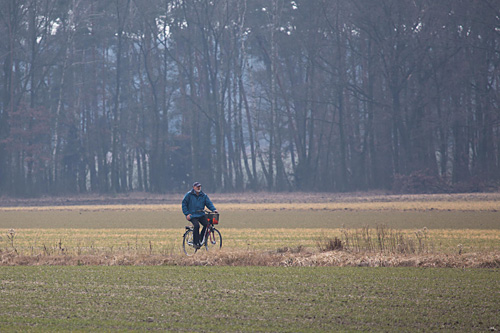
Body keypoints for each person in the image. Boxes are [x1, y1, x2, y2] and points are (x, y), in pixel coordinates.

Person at [182, 182, 218, 249]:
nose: (199, 188)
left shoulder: (204, 195)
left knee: (207, 225)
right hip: (192, 215)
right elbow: (184, 204)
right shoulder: (189, 195)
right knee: (197, 226)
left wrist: (214, 210)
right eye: (197, 186)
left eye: (199, 186)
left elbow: (209, 203)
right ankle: (195, 243)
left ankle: (201, 239)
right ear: (193, 187)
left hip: (201, 214)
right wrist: (187, 214)